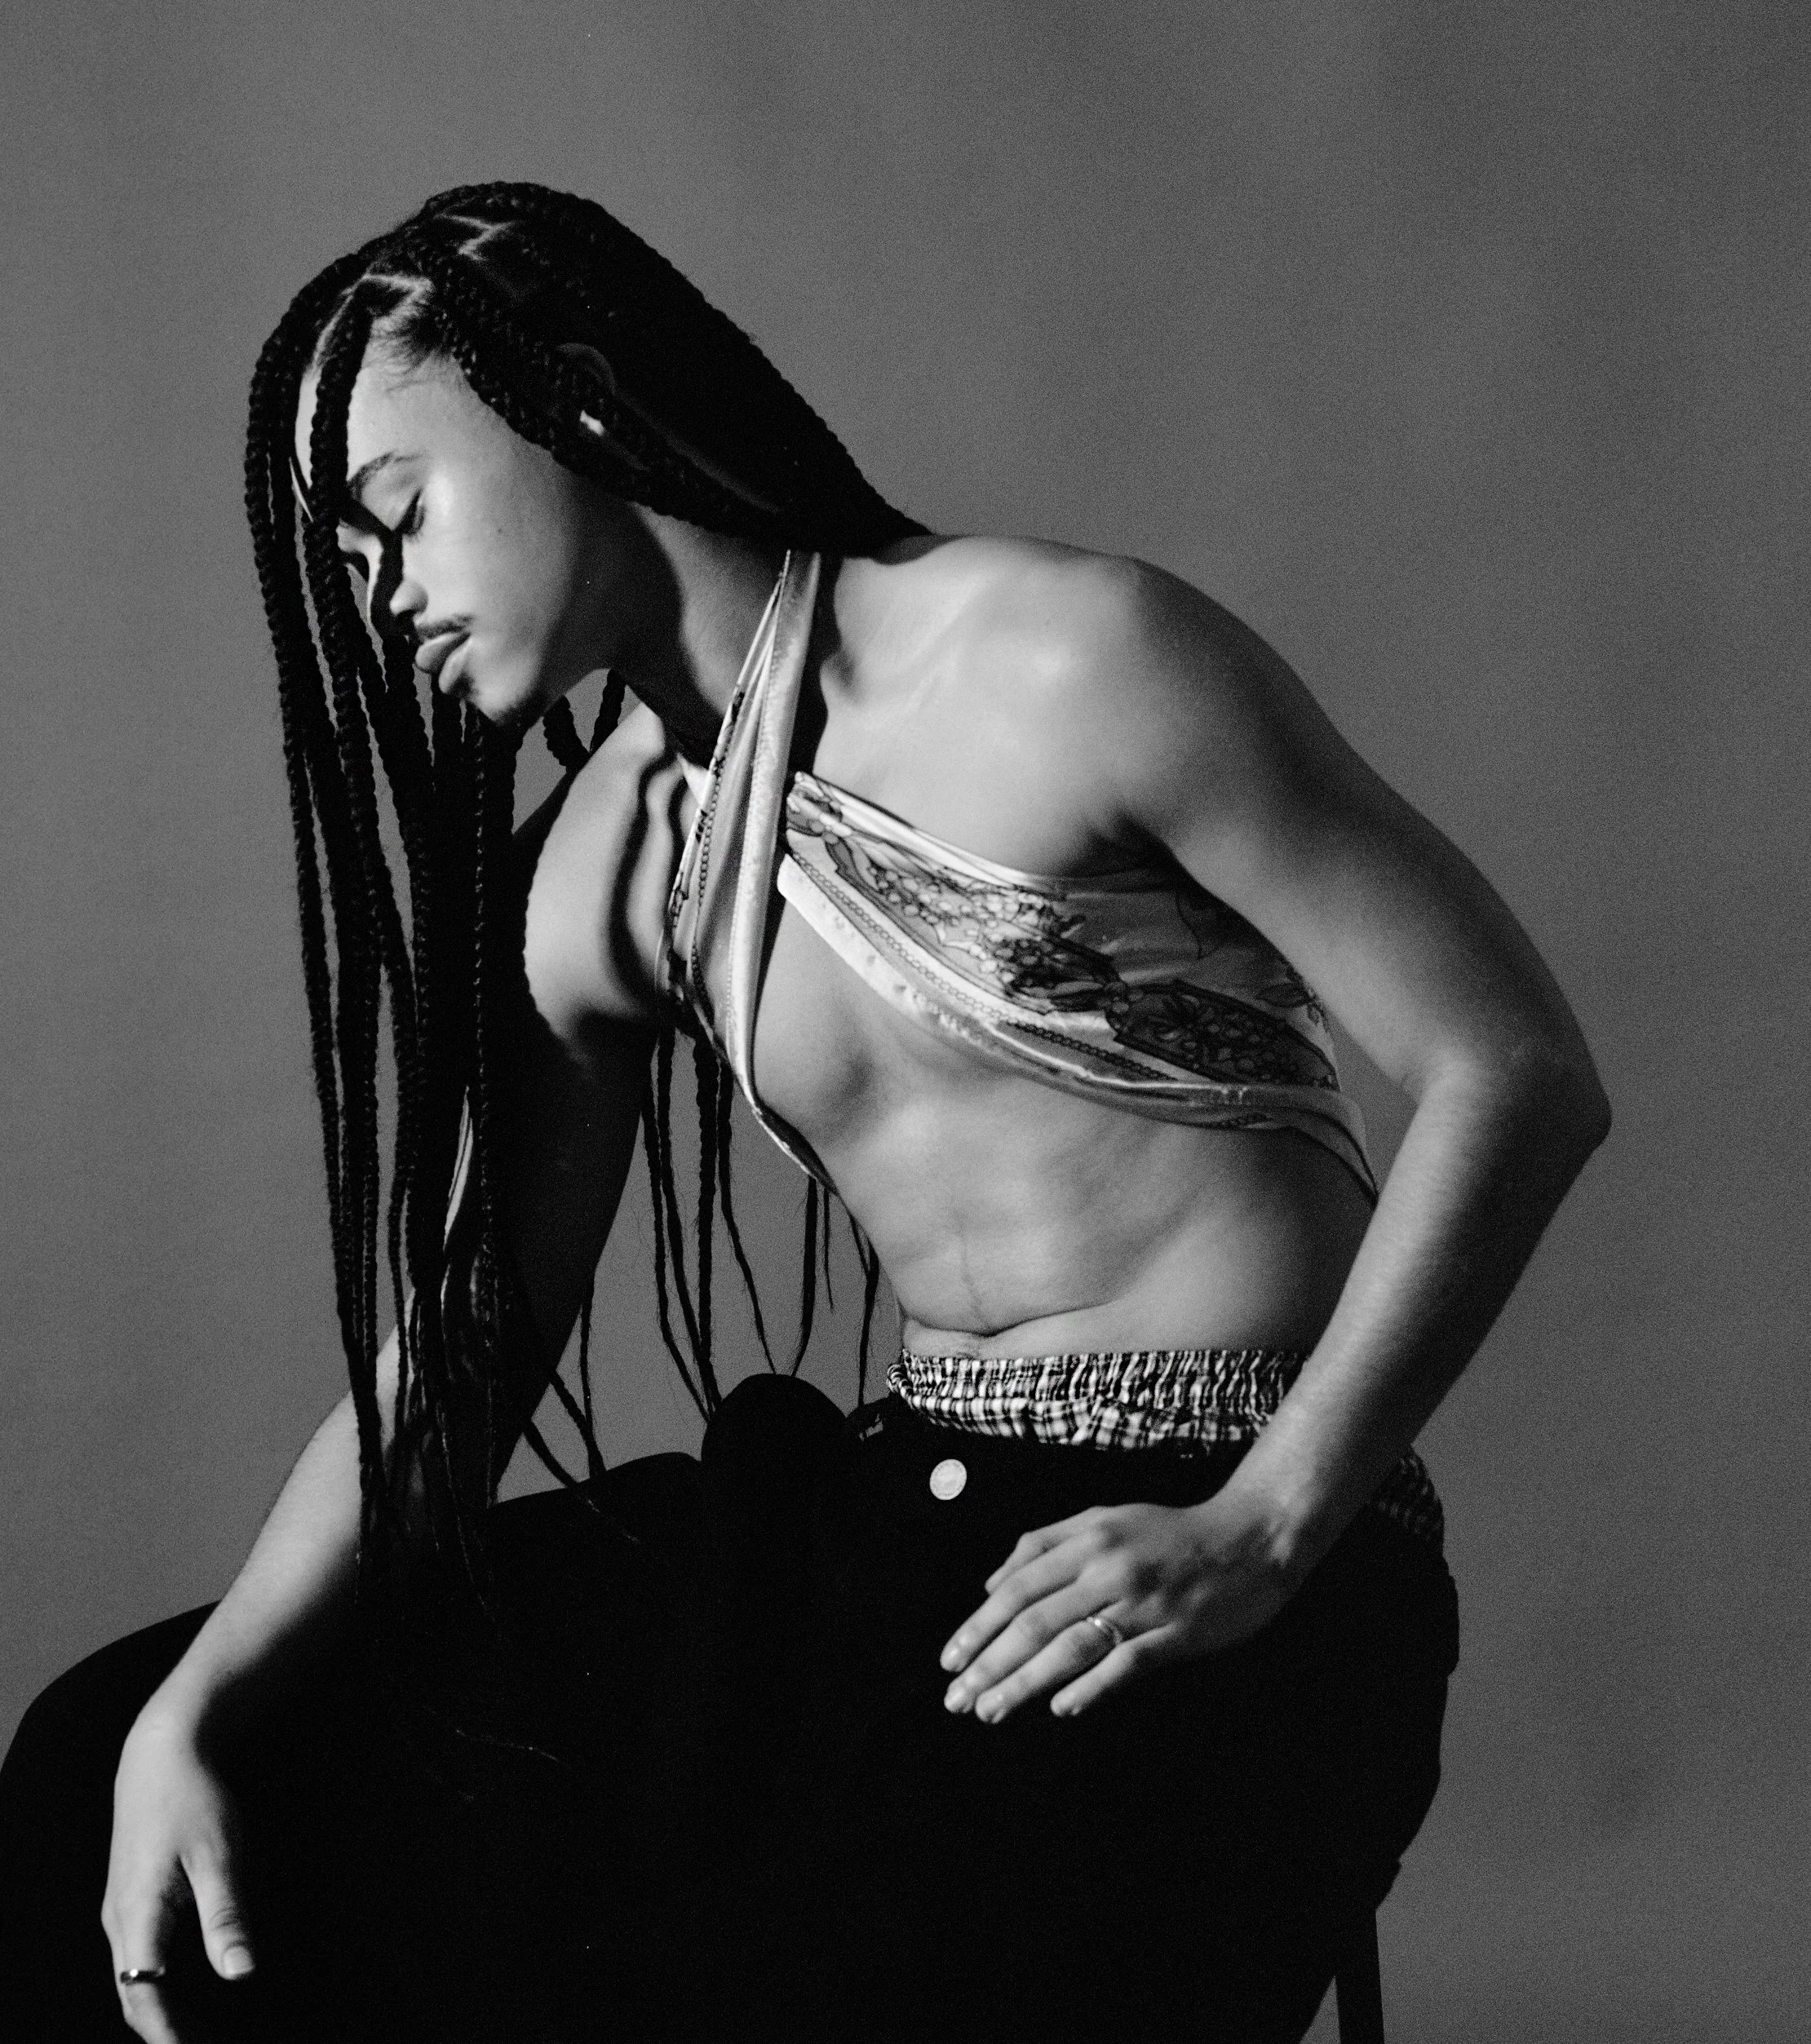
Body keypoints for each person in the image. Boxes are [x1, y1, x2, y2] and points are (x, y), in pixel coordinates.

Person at [0, 184, 1610, 2043]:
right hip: (892, 1533)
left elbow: (1516, 1068)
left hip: (1219, 1535)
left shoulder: (1056, 659)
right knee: (114, 1760)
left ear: (573, 402)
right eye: (343, 567)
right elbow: (464, 1342)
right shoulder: (602, 869)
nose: (380, 601)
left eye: (393, 515)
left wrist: (1266, 1519)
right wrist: (197, 1701)